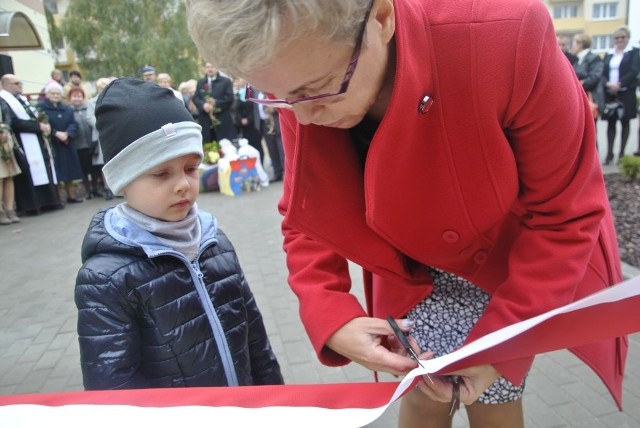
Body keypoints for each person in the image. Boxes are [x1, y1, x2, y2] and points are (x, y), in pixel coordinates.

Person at [186, 1, 625, 427]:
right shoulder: (304, 76)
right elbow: (309, 208)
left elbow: (564, 215)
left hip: (512, 266)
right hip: (411, 271)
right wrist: (331, 310)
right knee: (422, 393)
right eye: (276, 97)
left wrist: (504, 342)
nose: (301, 117)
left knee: (494, 396)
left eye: (316, 89)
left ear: (379, 18)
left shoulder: (507, 33)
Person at [75, 78, 283, 390]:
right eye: (161, 173)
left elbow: (256, 340)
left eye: (191, 168)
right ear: (122, 181)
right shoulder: (107, 277)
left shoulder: (215, 241)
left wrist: (276, 402)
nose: (183, 184)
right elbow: (114, 388)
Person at [0, 74, 61, 215]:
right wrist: (37, 127)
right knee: (27, 173)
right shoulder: (3, 100)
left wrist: (43, 124)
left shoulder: (22, 100)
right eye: (16, 83)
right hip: (20, 142)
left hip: (35, 140)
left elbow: (36, 116)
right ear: (6, 85)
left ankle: (47, 201)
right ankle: (30, 205)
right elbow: (13, 122)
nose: (20, 85)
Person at [38, 82, 84, 203]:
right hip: (52, 143)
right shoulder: (41, 108)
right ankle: (59, 197)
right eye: (53, 93)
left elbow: (73, 123)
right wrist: (55, 133)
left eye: (58, 93)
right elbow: (43, 123)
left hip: (66, 142)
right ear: (47, 94)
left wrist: (67, 134)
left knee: (69, 170)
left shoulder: (67, 109)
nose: (55, 95)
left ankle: (71, 195)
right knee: (56, 170)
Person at [602, 26, 640, 165]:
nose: (620, 40)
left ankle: (622, 153)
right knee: (611, 123)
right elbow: (603, 72)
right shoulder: (609, 54)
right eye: (617, 37)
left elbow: (634, 70)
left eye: (622, 37)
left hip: (626, 92)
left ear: (628, 38)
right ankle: (609, 153)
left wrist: (620, 83)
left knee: (625, 123)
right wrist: (608, 84)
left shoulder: (634, 53)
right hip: (610, 93)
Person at [571, 33, 604, 146]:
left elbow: (595, 77)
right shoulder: (577, 60)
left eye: (574, 43)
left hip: (590, 99)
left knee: (591, 133)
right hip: (579, 99)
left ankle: (594, 161)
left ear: (581, 44)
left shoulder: (593, 58)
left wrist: (578, 85)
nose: (573, 46)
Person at [192, 62, 237, 143]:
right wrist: (203, 105)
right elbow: (196, 98)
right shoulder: (201, 82)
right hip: (205, 121)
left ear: (216, 68)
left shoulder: (225, 81)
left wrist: (214, 104)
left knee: (225, 146)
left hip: (222, 120)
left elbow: (229, 98)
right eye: (208, 67)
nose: (210, 69)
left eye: (212, 67)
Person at [86, 77, 115, 200]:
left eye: (106, 85)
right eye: (101, 85)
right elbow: (90, 118)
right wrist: (104, 126)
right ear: (97, 88)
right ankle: (108, 188)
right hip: (101, 136)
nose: (104, 87)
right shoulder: (92, 102)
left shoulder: (115, 99)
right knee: (105, 164)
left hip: (115, 134)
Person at [69, 87, 97, 199]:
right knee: (84, 171)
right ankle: (87, 191)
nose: (77, 99)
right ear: (70, 98)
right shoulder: (69, 111)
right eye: (74, 96)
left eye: (79, 96)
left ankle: (95, 189)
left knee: (94, 169)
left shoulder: (88, 108)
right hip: (78, 146)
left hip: (91, 143)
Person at [232, 77, 264, 162]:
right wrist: (241, 119)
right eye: (236, 82)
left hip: (253, 124)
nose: (238, 83)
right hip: (243, 127)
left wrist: (248, 119)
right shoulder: (236, 94)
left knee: (257, 146)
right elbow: (235, 110)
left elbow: (254, 107)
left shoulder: (250, 90)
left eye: (239, 81)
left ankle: (260, 165)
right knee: (247, 147)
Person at [0, 100, 21, 224]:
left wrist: (4, 128)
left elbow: (7, 117)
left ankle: (10, 209)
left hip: (5, 141)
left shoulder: (2, 101)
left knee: (9, 176)